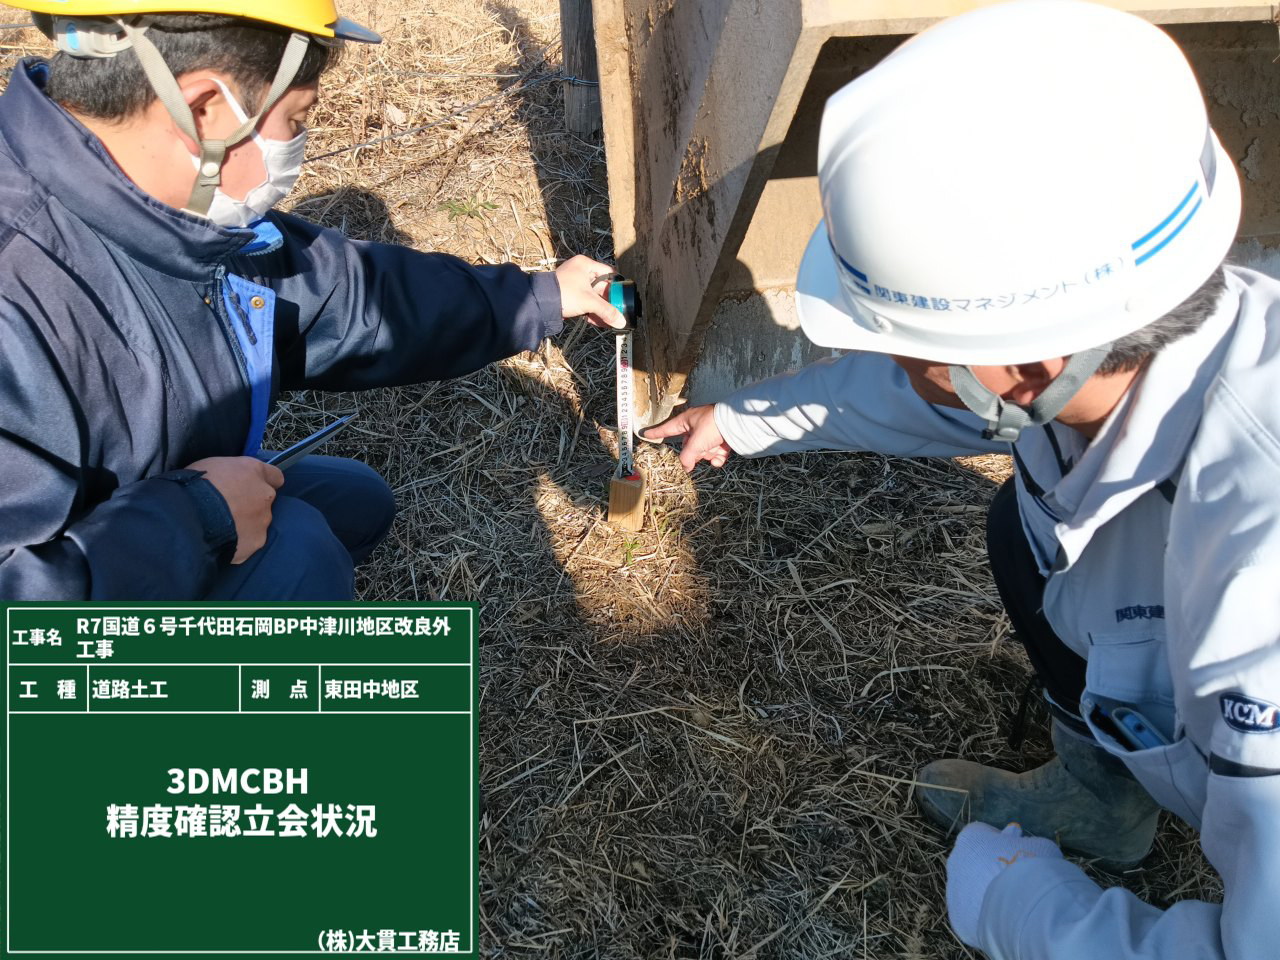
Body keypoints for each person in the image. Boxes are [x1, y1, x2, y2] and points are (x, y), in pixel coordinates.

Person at [646, 2, 1279, 957]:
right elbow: (927, 400)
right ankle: (1104, 800)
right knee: (1020, 534)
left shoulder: (1257, 603)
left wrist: (1014, 902)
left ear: (1022, 366)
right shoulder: (1131, 343)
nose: (894, 366)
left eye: (903, 346)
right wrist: (738, 419)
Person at [0, 1, 626, 600]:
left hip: (137, 512)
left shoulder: (180, 218)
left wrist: (538, 296)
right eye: (296, 120)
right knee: (298, 551)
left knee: (352, 501)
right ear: (205, 110)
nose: (299, 141)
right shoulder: (17, 290)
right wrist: (196, 520)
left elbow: (354, 298)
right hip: (58, 653)